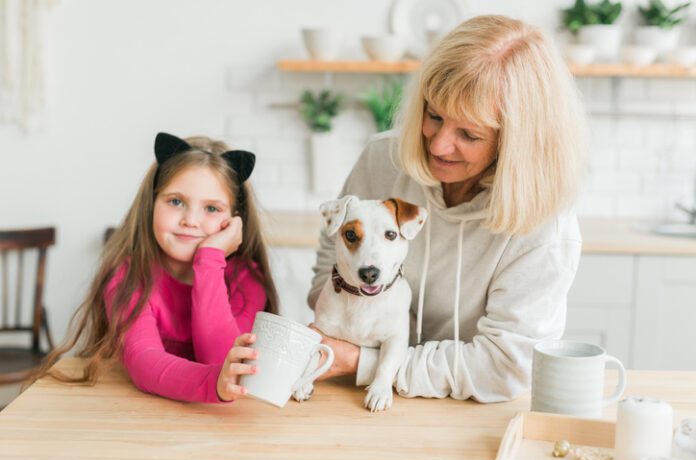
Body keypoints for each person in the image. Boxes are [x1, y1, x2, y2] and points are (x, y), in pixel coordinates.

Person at [308, 15, 586, 402]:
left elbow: (507, 366)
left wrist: (366, 363)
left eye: (469, 134)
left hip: (473, 409)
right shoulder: (381, 159)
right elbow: (329, 268)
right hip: (357, 396)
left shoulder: (545, 227)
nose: (438, 145)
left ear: (517, 142)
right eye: (434, 115)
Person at [30, 132, 278, 403]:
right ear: (151, 204)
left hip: (218, 423)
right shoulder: (128, 276)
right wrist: (212, 382)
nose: (191, 220)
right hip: (140, 414)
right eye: (175, 201)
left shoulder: (246, 279)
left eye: (211, 208)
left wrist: (210, 258)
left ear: (234, 221)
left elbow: (221, 361)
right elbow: (145, 361)